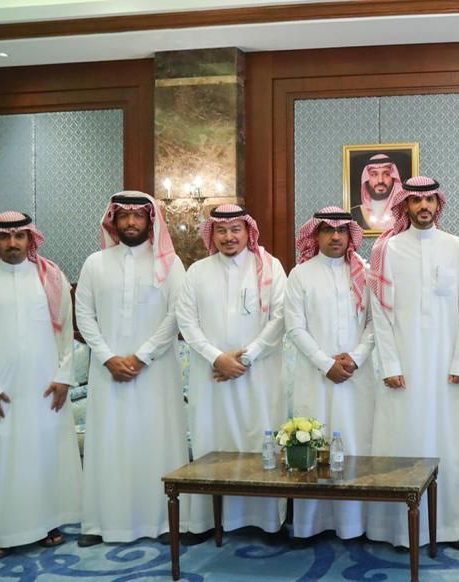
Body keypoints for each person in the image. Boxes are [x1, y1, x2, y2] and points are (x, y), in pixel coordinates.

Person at [367, 176, 459, 550]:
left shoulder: (456, 246)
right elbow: (379, 312)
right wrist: (389, 364)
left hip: (447, 367)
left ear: (438, 205)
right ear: (406, 205)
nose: (424, 207)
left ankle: (455, 526)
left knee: (450, 440)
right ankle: (401, 530)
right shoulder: (387, 249)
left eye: (430, 200)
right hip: (403, 366)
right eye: (417, 201)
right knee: (405, 436)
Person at [76, 191, 197, 546]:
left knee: (157, 442)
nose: (131, 222)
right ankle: (101, 524)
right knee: (109, 443)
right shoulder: (95, 263)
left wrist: (142, 356)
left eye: (138, 216)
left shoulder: (170, 264)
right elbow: (84, 315)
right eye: (124, 216)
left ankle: (164, 522)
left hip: (156, 372)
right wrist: (107, 357)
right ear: (113, 220)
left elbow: (177, 314)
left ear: (150, 220)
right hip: (107, 372)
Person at [0, 212, 81, 559]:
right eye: (5, 237)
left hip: (46, 388)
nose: (13, 243)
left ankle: (49, 524)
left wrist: (64, 376)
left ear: (30, 239)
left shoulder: (50, 278)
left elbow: (67, 332)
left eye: (19, 236)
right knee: (3, 460)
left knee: (46, 455)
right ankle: (3, 534)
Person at [176, 204, 287, 537]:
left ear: (248, 231)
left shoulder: (270, 267)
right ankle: (208, 521)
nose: (228, 237)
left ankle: (264, 521)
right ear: (212, 234)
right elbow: (186, 321)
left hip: (259, 376)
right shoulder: (197, 271)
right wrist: (216, 358)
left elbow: (280, 318)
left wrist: (246, 358)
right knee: (213, 442)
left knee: (259, 440)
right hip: (212, 377)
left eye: (235, 229)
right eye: (221, 231)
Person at [287, 206, 375, 540]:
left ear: (351, 235)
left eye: (341, 231)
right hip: (315, 378)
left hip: (356, 378)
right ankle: (311, 525)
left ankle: (356, 524)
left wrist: (355, 358)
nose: (335, 237)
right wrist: (326, 363)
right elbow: (294, 328)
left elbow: (374, 323)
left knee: (355, 443)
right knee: (314, 445)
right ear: (316, 234)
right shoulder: (301, 275)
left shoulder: (365, 272)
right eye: (327, 230)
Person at [350, 153, 403, 231]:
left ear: (394, 178)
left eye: (386, 174)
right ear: (366, 179)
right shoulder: (354, 212)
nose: (380, 180)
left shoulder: (404, 211)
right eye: (374, 174)